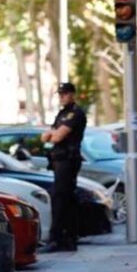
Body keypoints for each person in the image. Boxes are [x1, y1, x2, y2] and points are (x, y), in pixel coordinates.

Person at [40, 82, 87, 252]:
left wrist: (53, 134)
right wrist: (52, 134)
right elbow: (44, 137)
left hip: (68, 159)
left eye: (65, 93)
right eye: (60, 94)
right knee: (66, 199)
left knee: (60, 198)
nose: (62, 97)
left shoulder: (75, 113)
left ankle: (57, 239)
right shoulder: (62, 113)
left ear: (72, 94)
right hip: (59, 160)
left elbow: (56, 137)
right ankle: (68, 238)